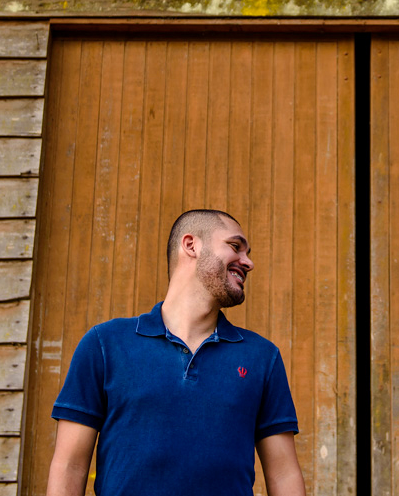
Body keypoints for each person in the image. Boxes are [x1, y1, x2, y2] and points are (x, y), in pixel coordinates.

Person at [46, 209, 307, 496]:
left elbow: (283, 474)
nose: (248, 262)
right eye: (235, 246)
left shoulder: (262, 357)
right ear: (191, 245)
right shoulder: (104, 344)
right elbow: (70, 465)